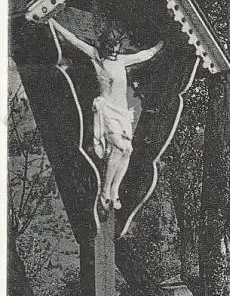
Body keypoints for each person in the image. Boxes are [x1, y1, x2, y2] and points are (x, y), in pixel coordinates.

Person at [51, 18, 163, 211]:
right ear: (105, 46)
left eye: (116, 47)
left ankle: (114, 191)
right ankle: (104, 191)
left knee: (127, 150)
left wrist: (161, 44)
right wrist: (54, 23)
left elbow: (145, 55)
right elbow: (74, 40)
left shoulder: (122, 60)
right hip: (107, 110)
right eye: (110, 47)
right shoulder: (96, 56)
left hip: (122, 113)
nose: (113, 51)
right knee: (118, 147)